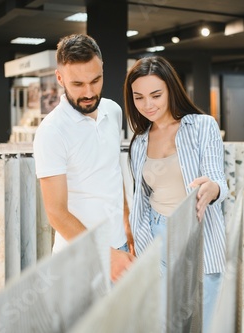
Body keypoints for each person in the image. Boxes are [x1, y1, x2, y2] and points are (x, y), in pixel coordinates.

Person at [124, 55, 228, 331]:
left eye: (156, 95)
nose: (148, 105)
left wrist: (213, 189)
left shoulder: (202, 126)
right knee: (165, 320)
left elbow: (217, 178)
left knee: (208, 319)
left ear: (171, 89)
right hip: (159, 234)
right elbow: (142, 197)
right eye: (139, 97)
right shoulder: (139, 142)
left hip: (200, 230)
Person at [33, 34, 135, 282]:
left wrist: (126, 220)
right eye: (77, 84)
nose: (89, 92)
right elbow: (56, 212)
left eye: (96, 80)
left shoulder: (113, 110)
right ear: (60, 78)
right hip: (78, 260)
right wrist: (105, 254)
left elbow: (113, 170)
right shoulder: (51, 131)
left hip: (120, 249)